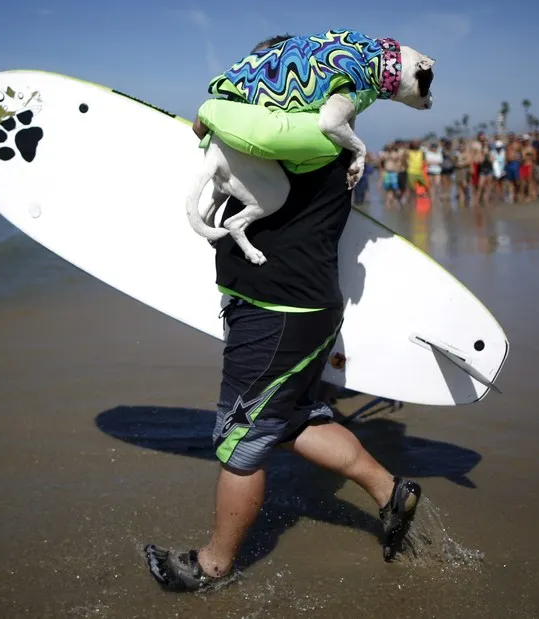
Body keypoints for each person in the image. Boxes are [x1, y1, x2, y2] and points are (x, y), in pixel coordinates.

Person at [144, 101, 423, 596]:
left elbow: (221, 123)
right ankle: (390, 493)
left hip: (275, 313)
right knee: (291, 418)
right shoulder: (332, 148)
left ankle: (212, 565)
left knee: (240, 438)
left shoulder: (292, 143)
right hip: (302, 309)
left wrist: (213, 113)